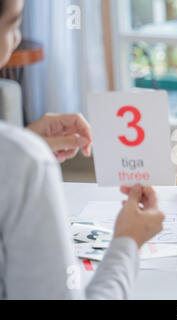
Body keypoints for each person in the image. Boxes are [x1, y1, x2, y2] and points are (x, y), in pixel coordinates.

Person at [0, 0, 165, 299]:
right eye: (13, 23)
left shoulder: (19, 157)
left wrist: (22, 143)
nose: (15, 39)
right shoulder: (24, 162)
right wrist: (127, 243)